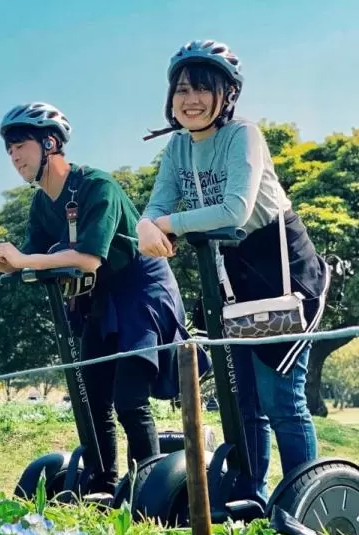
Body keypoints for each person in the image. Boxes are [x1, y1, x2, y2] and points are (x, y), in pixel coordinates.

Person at [0, 102, 199, 494]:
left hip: (142, 291)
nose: (14, 155)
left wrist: (21, 260)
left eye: (21, 144)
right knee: (90, 399)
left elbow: (89, 259)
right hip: (101, 299)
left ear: (50, 143)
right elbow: (34, 256)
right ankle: (103, 486)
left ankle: (146, 489)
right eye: (8, 149)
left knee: (128, 400)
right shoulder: (41, 203)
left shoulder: (96, 186)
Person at [137, 40, 327, 503]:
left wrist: (163, 225)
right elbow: (156, 207)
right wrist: (146, 221)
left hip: (282, 270)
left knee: (281, 398)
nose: (192, 100)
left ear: (228, 95)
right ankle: (251, 497)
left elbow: (236, 211)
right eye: (183, 89)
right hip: (229, 275)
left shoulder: (244, 134)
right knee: (241, 401)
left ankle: (309, 503)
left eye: (205, 89)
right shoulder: (178, 148)